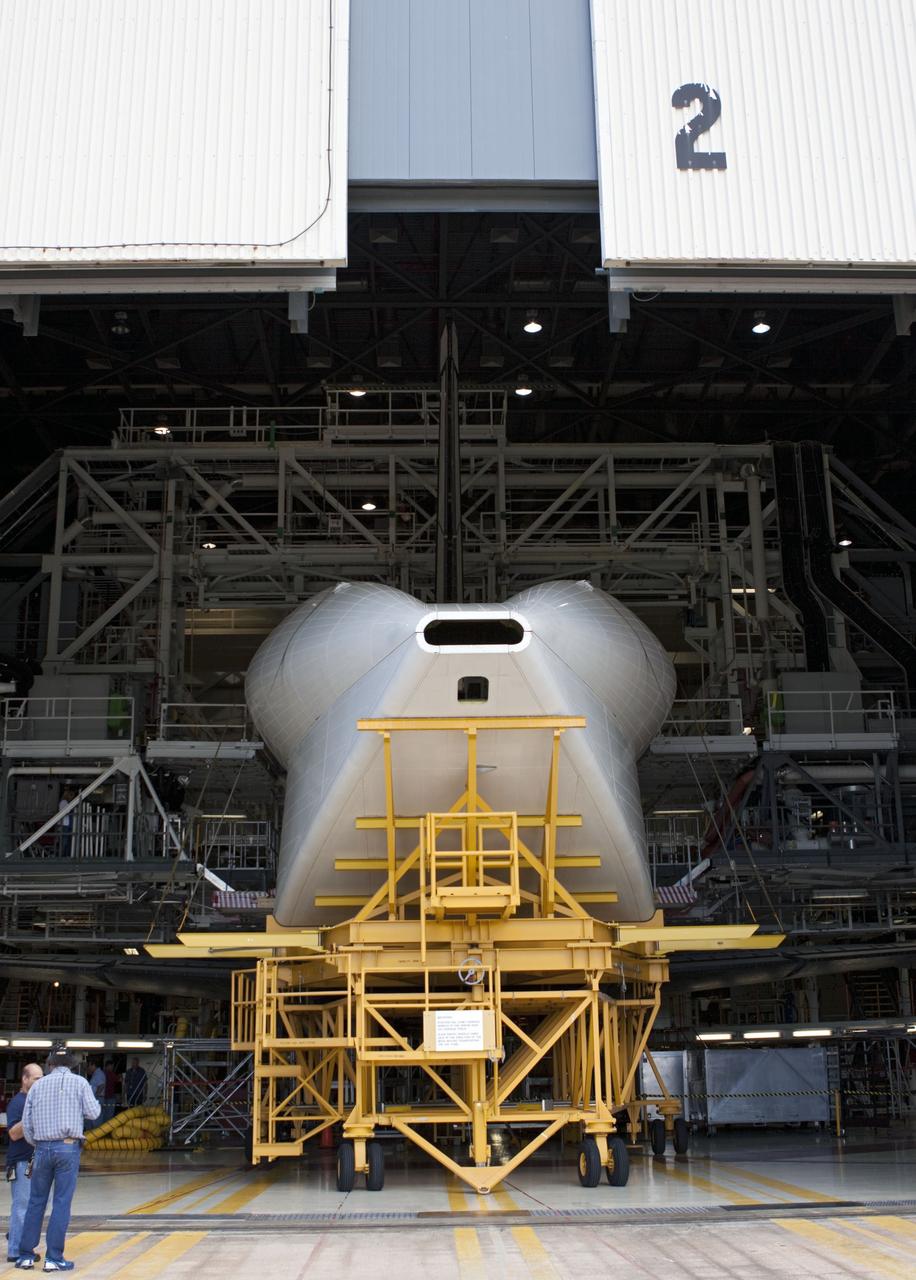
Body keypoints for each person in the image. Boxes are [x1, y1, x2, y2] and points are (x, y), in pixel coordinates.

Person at [15, 1047, 100, 1272]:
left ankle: (25, 1255)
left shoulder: (37, 1086)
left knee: (36, 1201)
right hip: (68, 1147)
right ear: (72, 1064)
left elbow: (27, 1122)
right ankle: (54, 1258)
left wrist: (38, 1144)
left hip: (42, 1148)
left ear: (49, 1064)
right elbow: (94, 1113)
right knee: (61, 1202)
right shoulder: (81, 1083)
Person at [5, 1064, 43, 1263]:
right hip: (21, 1163)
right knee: (22, 1207)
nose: (39, 1082)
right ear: (25, 1079)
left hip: (33, 1162)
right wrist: (31, 1113)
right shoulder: (18, 1103)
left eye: (41, 1078)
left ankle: (18, 1241)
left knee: (29, 1207)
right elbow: (13, 1133)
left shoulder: (32, 1101)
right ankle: (15, 1251)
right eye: (36, 1079)